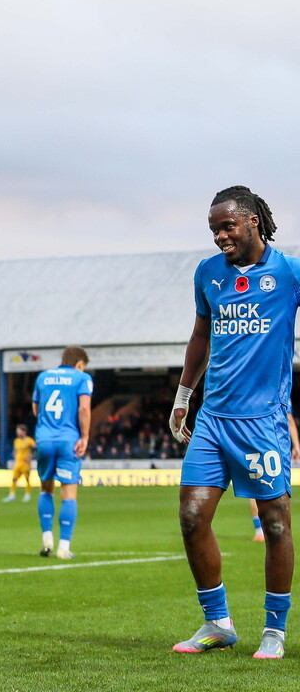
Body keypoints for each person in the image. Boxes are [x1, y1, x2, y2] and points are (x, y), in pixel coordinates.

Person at [170, 186, 297, 659]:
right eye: (214, 230)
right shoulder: (207, 274)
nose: (220, 237)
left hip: (262, 421)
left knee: (276, 523)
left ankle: (274, 630)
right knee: (191, 516)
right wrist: (184, 396)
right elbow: (201, 334)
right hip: (213, 419)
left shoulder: (288, 272)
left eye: (227, 226)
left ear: (253, 222)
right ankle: (217, 622)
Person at [31, 346, 92, 560]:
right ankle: (63, 547)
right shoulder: (82, 378)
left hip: (45, 439)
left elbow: (36, 409)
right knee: (69, 493)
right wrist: (84, 437)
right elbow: (84, 409)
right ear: (79, 364)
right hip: (69, 441)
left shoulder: (43, 377)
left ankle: (47, 538)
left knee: (46, 488)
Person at [248, 410, 300, 541]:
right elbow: (289, 419)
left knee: (255, 486)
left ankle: (260, 530)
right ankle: (278, 528)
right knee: (277, 487)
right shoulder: (279, 392)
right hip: (274, 443)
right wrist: (296, 445)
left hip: (253, 440)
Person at [4, 424, 37, 503]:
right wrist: (14, 453)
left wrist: (31, 457)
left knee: (27, 479)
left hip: (25, 464)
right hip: (17, 464)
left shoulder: (29, 440)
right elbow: (15, 450)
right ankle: (12, 495)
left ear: (24, 432)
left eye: (19, 431)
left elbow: (36, 448)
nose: (18, 433)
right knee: (14, 479)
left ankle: (27, 495)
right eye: (17, 431)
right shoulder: (16, 441)